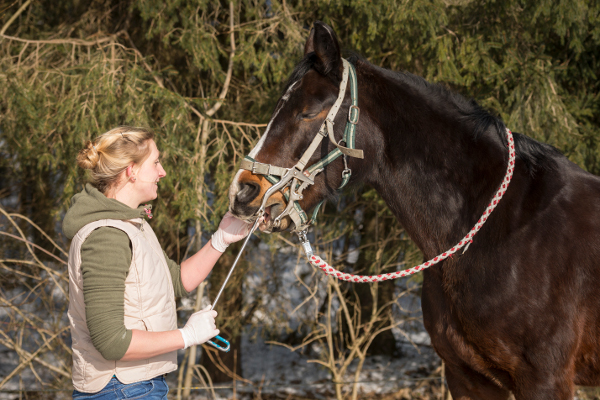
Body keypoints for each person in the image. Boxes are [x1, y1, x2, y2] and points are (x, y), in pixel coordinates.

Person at [63, 126, 253, 399]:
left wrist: (220, 240)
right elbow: (111, 341)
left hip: (137, 387)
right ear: (132, 170)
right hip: (121, 390)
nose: (162, 172)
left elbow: (175, 280)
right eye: (155, 162)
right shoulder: (107, 237)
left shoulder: (131, 225)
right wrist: (186, 336)